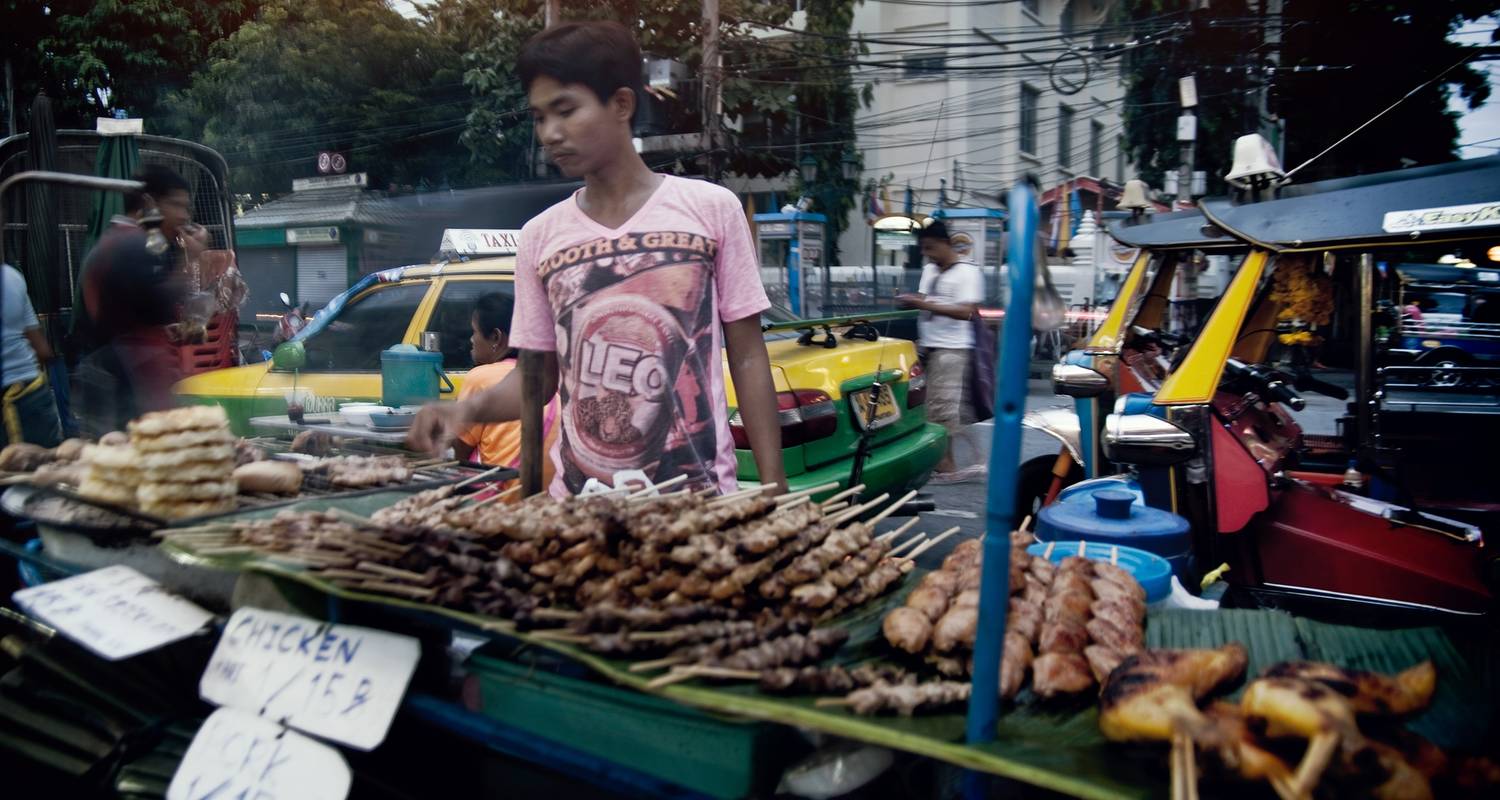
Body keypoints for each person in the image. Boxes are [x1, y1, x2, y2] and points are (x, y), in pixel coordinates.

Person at [409, 21, 786, 497]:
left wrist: (773, 486)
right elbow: (536, 377)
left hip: (699, 500)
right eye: (540, 117)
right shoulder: (540, 237)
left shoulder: (711, 210)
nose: (550, 133)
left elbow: (748, 355)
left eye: (565, 111)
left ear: (622, 104)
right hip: (582, 508)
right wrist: (465, 411)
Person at [75, 165, 192, 434]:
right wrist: (191, 260)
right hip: (133, 385)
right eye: (177, 205)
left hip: (119, 379)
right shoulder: (133, 245)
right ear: (149, 203)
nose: (184, 217)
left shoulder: (118, 240)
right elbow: (159, 306)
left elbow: (136, 308)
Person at [896, 220, 986, 484]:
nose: (928, 253)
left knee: (942, 410)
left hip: (953, 349)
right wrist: (910, 301)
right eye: (924, 248)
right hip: (927, 347)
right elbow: (924, 302)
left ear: (946, 243)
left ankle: (949, 464)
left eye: (931, 247)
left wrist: (926, 304)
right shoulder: (930, 271)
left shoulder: (967, 273)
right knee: (940, 410)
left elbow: (968, 312)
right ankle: (969, 460)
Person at [453, 292, 559, 485]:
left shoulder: (481, 378)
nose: (471, 340)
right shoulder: (549, 376)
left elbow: (456, 455)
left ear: (495, 337)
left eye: (474, 332)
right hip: (552, 498)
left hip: (503, 500)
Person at [1, 263, 64, 448]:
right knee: (47, 471)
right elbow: (42, 349)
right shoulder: (11, 275)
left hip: (11, 404)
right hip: (32, 393)